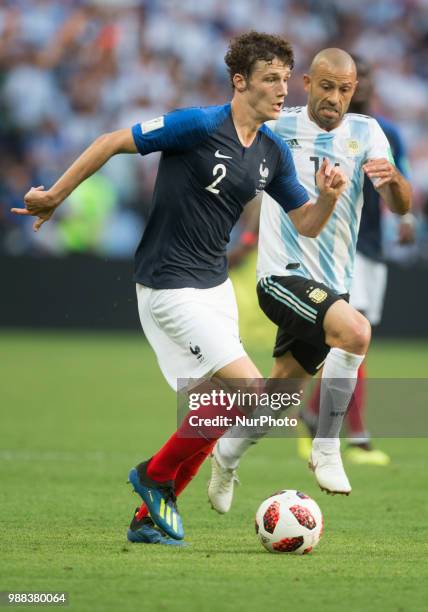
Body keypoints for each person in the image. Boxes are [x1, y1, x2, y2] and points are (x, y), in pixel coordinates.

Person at [12, 32, 347, 544]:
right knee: (250, 393)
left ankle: (150, 520)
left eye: (285, 78)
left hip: (213, 289)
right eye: (270, 79)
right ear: (240, 82)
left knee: (211, 411)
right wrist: (56, 195)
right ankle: (151, 477)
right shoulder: (197, 125)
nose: (283, 90)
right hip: (168, 284)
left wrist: (326, 198)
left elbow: (305, 221)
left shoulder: (272, 152)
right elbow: (110, 142)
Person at [208, 48, 411, 514]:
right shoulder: (277, 128)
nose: (334, 98)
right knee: (357, 331)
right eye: (326, 87)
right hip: (280, 277)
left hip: (331, 283)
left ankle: (226, 454)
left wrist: (395, 179)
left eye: (344, 90)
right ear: (307, 82)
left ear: (353, 92)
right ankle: (327, 448)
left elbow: (400, 206)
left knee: (281, 394)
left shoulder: (368, 132)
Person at [299, 56, 415, 466]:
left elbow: (401, 179)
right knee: (352, 340)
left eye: (359, 81)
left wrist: (409, 216)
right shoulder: (313, 131)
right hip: (332, 252)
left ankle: (313, 415)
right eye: (348, 81)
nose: (354, 88)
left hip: (369, 250)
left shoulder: (383, 133)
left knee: (351, 342)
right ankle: (358, 435)